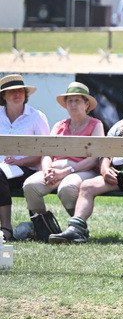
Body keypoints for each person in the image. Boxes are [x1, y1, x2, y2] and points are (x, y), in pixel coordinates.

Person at [50, 77, 123, 244]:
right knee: (87, 186)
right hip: (117, 174)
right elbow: (105, 153)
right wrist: (105, 170)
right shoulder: (119, 126)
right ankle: (76, 230)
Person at [22, 82, 105, 238]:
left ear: (87, 104)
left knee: (67, 188)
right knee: (30, 185)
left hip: (82, 169)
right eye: (69, 101)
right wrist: (47, 171)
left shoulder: (96, 124)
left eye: (77, 100)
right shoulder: (59, 125)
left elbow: (94, 160)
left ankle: (78, 228)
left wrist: (66, 171)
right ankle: (43, 228)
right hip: (55, 169)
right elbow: (47, 153)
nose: (73, 104)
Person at [0, 74, 50, 242]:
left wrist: (19, 161)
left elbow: (46, 151)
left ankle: (6, 227)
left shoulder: (36, 116)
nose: (17, 94)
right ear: (3, 96)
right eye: (12, 91)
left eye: (21, 90)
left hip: (28, 170)